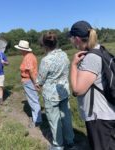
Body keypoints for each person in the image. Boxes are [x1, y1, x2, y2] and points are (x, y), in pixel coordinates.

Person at [69, 20, 115, 150]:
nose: (71, 41)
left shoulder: (90, 58)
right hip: (108, 111)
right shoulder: (99, 49)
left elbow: (78, 90)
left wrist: (73, 65)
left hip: (99, 116)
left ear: (77, 39)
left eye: (71, 38)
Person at [36, 32, 76, 150]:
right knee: (66, 117)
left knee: (54, 120)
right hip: (63, 91)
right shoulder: (64, 54)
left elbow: (41, 79)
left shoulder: (46, 60)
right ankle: (70, 140)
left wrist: (37, 84)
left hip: (51, 94)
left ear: (44, 45)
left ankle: (58, 145)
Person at [14, 40, 42, 128]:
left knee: (33, 100)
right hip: (30, 80)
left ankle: (37, 120)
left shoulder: (28, 57)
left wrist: (35, 83)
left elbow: (30, 71)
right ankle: (37, 118)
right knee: (34, 99)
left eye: (20, 49)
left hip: (29, 81)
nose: (20, 51)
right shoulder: (30, 56)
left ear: (24, 49)